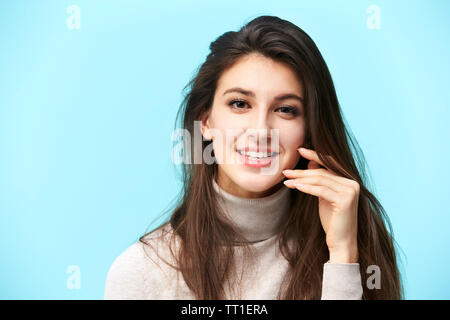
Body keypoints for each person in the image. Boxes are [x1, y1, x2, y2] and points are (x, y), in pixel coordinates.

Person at [104, 15, 403, 300]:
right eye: (239, 104)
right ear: (205, 121)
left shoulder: (356, 250)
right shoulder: (141, 272)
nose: (261, 131)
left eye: (285, 109)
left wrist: (342, 256)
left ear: (309, 129)